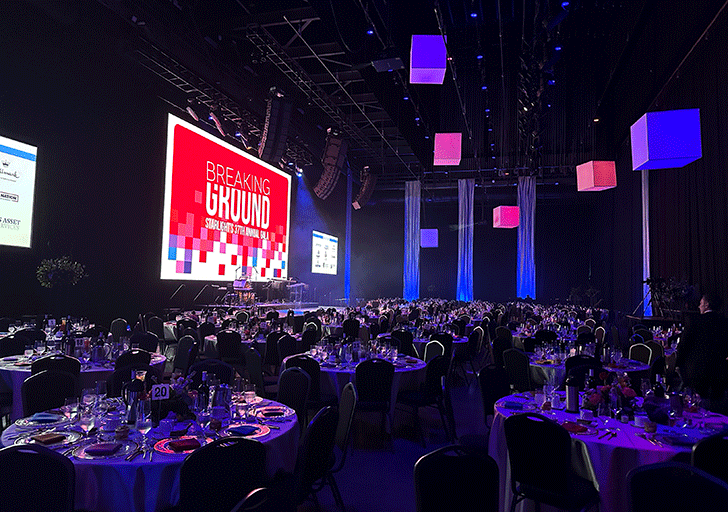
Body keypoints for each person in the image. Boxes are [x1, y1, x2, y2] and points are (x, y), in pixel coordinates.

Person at [675, 293, 728, 408]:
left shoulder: (694, 321)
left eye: (700, 303)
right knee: (717, 407)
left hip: (696, 372)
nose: (699, 306)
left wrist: (677, 364)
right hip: (719, 371)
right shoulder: (725, 322)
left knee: (695, 405)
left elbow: (684, 346)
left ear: (707, 305)